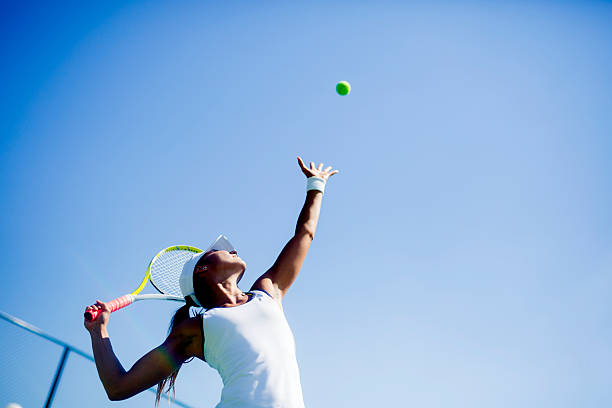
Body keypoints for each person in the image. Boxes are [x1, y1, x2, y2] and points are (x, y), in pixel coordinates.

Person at [84, 156, 339, 407]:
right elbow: (117, 387)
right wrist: (99, 331)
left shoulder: (268, 291)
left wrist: (316, 185)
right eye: (219, 248)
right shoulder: (195, 329)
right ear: (202, 269)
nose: (232, 249)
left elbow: (305, 233)